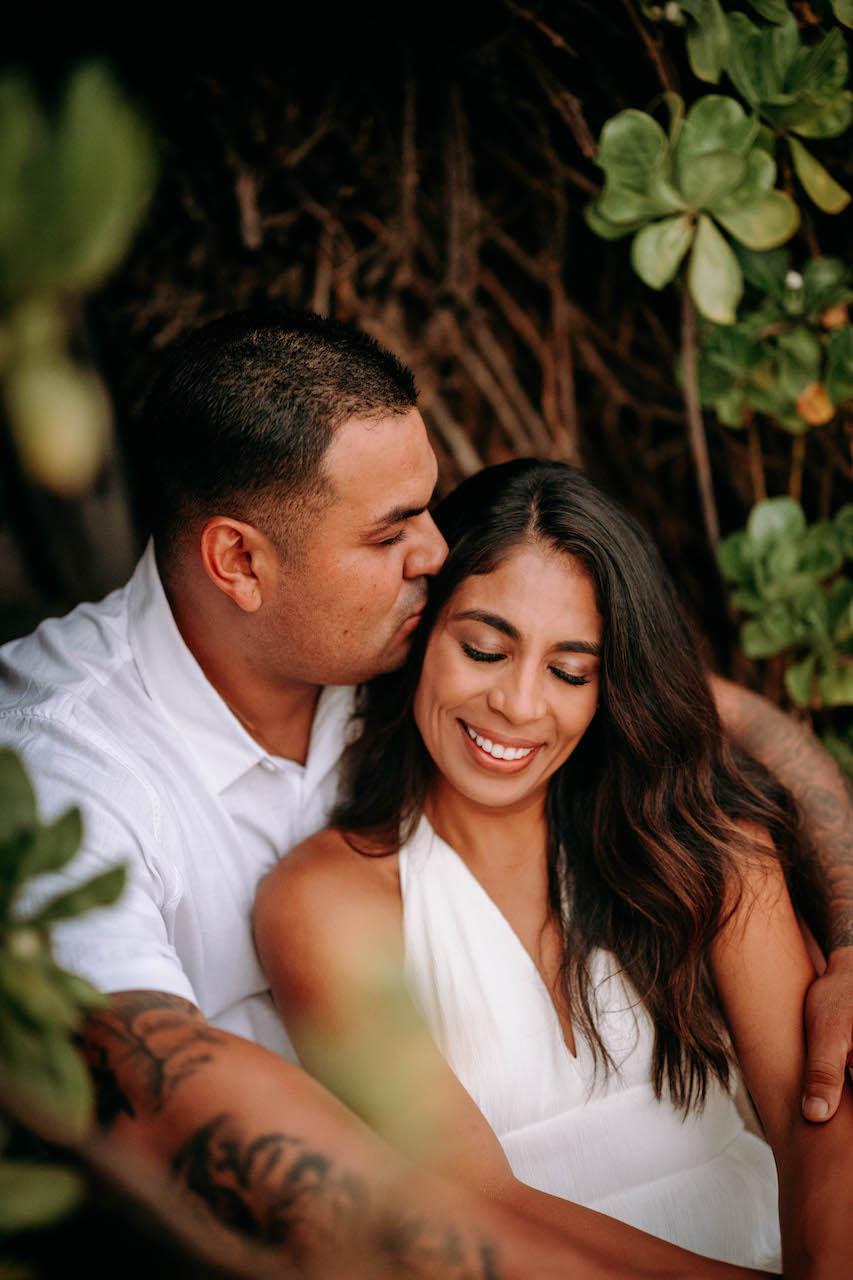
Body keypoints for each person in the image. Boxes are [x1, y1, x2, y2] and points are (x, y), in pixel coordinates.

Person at [0, 311, 849, 1275]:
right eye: (390, 530)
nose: (437, 553)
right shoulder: (59, 775)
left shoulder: (395, 640)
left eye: (430, 507)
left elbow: (722, 720)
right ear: (240, 562)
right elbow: (175, 1098)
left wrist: (850, 944)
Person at [254, 458, 853, 1278]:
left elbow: (809, 1111)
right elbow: (469, 1201)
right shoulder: (326, 902)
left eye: (570, 671)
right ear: (419, 634)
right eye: (484, 649)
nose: (520, 704)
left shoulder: (696, 838)